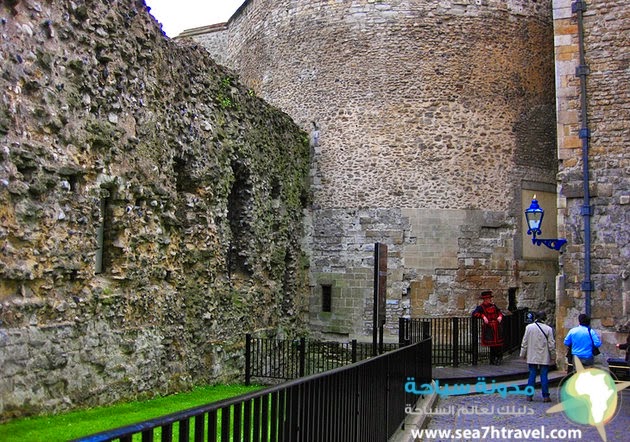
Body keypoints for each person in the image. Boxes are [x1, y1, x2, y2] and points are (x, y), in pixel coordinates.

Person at [520, 311, 556, 402]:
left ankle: (529, 395)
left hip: (532, 355)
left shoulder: (529, 328)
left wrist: (523, 354)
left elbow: (525, 342)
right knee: (544, 375)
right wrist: (553, 356)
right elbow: (551, 344)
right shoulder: (548, 329)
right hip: (544, 355)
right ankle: (545, 396)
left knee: (532, 374)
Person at [472, 290, 504, 365]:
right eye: (489, 298)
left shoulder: (493, 306)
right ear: (485, 299)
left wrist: (500, 316)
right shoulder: (481, 307)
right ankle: (493, 359)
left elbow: (499, 312)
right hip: (489, 328)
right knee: (492, 345)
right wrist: (483, 316)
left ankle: (498, 358)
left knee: (498, 344)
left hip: (496, 327)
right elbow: (475, 314)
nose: (490, 300)